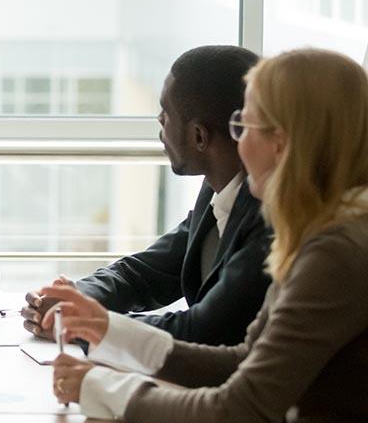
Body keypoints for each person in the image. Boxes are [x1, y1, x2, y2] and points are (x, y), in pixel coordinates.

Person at [44, 48, 368, 423]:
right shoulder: (324, 231)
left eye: (244, 125)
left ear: (282, 141)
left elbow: (237, 412)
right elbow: (243, 361)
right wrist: (107, 330)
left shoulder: (335, 253)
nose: (237, 142)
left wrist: (102, 388)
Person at [22, 45, 270, 346]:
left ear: (199, 137)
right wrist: (77, 298)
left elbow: (204, 330)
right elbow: (148, 272)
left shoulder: (269, 218)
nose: (159, 121)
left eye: (166, 113)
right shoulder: (217, 189)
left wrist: (84, 325)